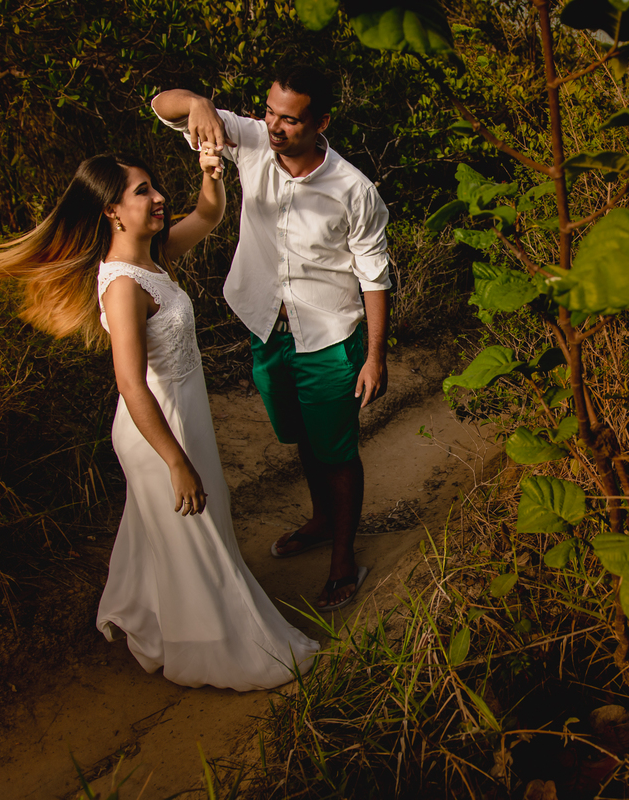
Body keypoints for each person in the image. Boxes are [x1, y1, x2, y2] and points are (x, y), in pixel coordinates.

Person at [0, 149, 318, 691]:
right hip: (159, 431)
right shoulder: (123, 286)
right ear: (111, 210)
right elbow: (130, 383)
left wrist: (210, 173)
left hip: (184, 415)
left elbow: (209, 214)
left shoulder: (152, 257)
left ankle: (157, 620)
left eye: (154, 186)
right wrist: (176, 463)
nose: (159, 197)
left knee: (187, 532)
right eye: (143, 191)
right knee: (197, 539)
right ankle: (218, 650)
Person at [150, 64, 391, 612]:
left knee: (337, 450)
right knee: (300, 434)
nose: (274, 127)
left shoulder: (353, 190)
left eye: (290, 119)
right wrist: (199, 104)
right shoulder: (253, 140)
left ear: (320, 122)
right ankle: (321, 520)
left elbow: (374, 277)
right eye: (268, 112)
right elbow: (163, 105)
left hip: (329, 337)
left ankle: (343, 558)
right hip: (267, 328)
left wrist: (375, 356)